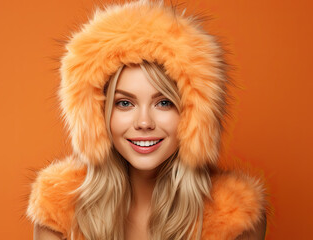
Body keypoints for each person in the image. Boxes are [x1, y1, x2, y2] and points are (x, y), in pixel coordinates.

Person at [27, 1, 268, 239]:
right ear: (98, 115)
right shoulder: (59, 212)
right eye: (124, 103)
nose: (144, 122)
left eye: (164, 102)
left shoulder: (234, 219)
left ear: (193, 116)